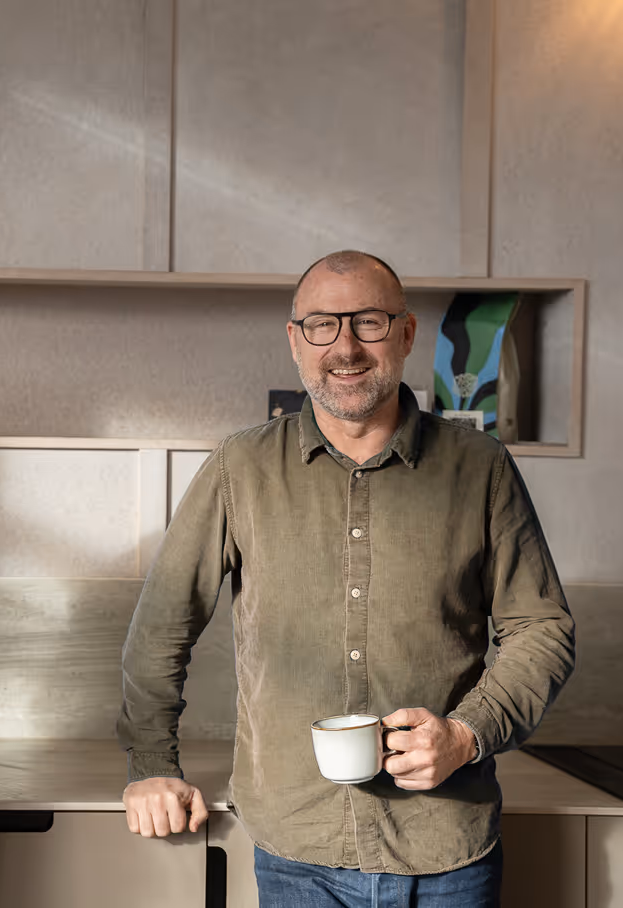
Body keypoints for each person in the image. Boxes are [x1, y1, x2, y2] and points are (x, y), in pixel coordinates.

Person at [117, 250, 575, 907]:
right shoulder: (238, 468)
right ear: (295, 342)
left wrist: (467, 734)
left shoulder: (481, 468)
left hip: (446, 848)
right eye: (323, 326)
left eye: (369, 322)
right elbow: (160, 628)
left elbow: (543, 630)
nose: (346, 347)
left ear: (408, 334)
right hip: (295, 852)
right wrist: (151, 767)